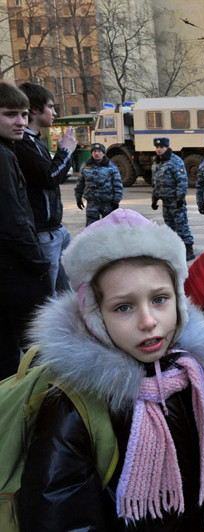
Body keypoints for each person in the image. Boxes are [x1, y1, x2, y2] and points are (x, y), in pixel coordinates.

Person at [17, 208, 204, 530]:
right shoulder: (72, 406)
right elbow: (61, 512)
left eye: (159, 299)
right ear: (95, 317)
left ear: (179, 302)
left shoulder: (186, 376)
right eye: (124, 307)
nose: (148, 321)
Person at [0, 81, 50, 380]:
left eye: (22, 114)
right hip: (15, 272)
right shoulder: (4, 156)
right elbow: (13, 221)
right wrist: (39, 264)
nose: (20, 122)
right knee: (37, 352)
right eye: (10, 114)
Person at [16, 82, 77, 294]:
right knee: (48, 295)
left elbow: (55, 175)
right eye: (50, 106)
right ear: (35, 109)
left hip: (55, 229)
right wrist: (66, 152)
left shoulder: (36, 141)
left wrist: (65, 152)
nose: (55, 112)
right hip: (43, 233)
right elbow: (50, 177)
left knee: (67, 291)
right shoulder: (22, 143)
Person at [151, 137, 195, 261]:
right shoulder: (157, 163)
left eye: (161, 147)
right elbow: (155, 182)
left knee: (182, 226)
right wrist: (154, 198)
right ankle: (174, 249)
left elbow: (181, 181)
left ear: (167, 147)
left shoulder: (175, 161)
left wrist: (180, 198)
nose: (159, 149)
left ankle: (188, 249)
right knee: (169, 227)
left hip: (175, 200)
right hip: (165, 201)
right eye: (157, 147)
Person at [75, 142, 123, 226]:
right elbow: (80, 183)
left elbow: (118, 185)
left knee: (109, 227)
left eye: (99, 151)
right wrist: (78, 197)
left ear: (103, 153)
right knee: (91, 228)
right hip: (92, 203)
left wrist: (116, 200)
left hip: (107, 203)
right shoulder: (85, 166)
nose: (96, 153)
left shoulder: (111, 167)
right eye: (94, 151)